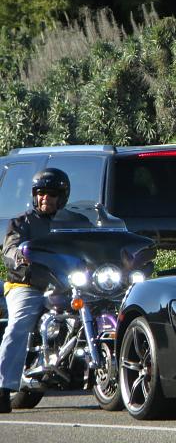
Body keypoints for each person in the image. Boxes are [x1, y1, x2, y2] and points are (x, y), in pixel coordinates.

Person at [0, 168, 71, 413]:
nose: (45, 199)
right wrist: (18, 256)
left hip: (64, 286)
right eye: (41, 194)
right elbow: (9, 248)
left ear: (61, 197)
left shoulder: (72, 223)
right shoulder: (21, 222)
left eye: (51, 194)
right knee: (18, 324)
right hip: (27, 285)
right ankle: (2, 387)